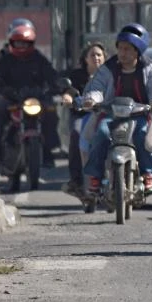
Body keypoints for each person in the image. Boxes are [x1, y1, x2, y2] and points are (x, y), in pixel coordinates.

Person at [81, 24, 152, 198]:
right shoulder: (108, 68)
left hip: (139, 116)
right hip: (111, 115)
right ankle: (95, 176)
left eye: (127, 49)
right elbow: (97, 87)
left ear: (137, 51)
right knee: (101, 133)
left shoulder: (150, 68)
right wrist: (92, 100)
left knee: (142, 135)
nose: (122, 53)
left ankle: (148, 175)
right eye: (120, 48)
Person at [0, 24, 58, 166]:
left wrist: (57, 86)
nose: (21, 46)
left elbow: (51, 75)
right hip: (12, 98)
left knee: (51, 111)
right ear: (11, 43)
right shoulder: (6, 60)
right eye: (18, 43)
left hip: (34, 99)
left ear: (31, 44)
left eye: (25, 43)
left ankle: (49, 149)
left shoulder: (39, 59)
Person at [60, 42, 106, 207]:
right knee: (77, 135)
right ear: (85, 59)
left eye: (99, 55)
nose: (96, 58)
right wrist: (68, 98)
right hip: (83, 116)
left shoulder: (110, 74)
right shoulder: (78, 75)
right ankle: (77, 181)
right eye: (92, 55)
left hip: (104, 116)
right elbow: (70, 90)